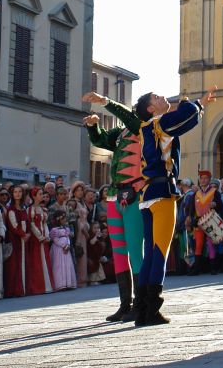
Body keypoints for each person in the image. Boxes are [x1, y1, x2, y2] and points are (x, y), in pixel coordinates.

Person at [133, 88, 213, 327]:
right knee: (160, 253)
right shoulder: (159, 124)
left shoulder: (144, 128)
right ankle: (152, 310)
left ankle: (142, 310)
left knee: (150, 253)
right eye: (156, 98)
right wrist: (197, 103)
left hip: (147, 195)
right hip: (163, 193)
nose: (162, 98)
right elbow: (186, 116)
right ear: (150, 108)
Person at [81, 90, 143, 320]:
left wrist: (106, 102)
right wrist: (93, 127)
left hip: (134, 194)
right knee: (118, 252)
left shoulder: (142, 127)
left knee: (136, 251)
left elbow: (130, 119)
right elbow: (100, 140)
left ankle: (140, 302)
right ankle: (125, 303)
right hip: (115, 196)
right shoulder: (122, 132)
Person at [184, 170, 223, 276]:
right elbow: (190, 207)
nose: (203, 180)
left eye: (206, 178)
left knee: (211, 244)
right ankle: (197, 269)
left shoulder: (215, 192)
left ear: (209, 180)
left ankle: (213, 268)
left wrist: (215, 204)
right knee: (198, 245)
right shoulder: (195, 194)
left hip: (211, 221)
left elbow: (221, 206)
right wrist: (189, 216)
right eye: (201, 178)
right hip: (198, 222)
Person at [4, 185, 30, 298]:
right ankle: (14, 290)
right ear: (12, 194)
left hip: (24, 240)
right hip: (15, 240)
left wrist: (28, 233)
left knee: (23, 263)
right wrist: (23, 234)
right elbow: (13, 225)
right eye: (15, 192)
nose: (18, 194)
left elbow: (28, 223)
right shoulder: (11, 209)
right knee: (14, 265)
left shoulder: (24, 208)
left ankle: (23, 288)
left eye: (20, 192)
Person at [26, 189, 54, 295]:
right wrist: (40, 236)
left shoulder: (43, 209)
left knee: (44, 260)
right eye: (40, 194)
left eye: (42, 194)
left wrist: (47, 235)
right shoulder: (30, 209)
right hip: (35, 239)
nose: (42, 196)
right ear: (34, 196)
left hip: (43, 237)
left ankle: (47, 285)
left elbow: (45, 224)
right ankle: (37, 286)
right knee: (36, 262)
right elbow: (31, 224)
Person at [49, 210, 77, 290]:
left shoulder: (66, 229)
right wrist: (63, 245)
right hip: (58, 250)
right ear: (58, 219)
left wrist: (67, 245)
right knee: (59, 266)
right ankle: (60, 284)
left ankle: (68, 283)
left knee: (67, 265)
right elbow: (55, 239)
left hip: (66, 249)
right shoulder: (54, 230)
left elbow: (67, 237)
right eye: (63, 218)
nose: (65, 220)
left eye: (65, 218)